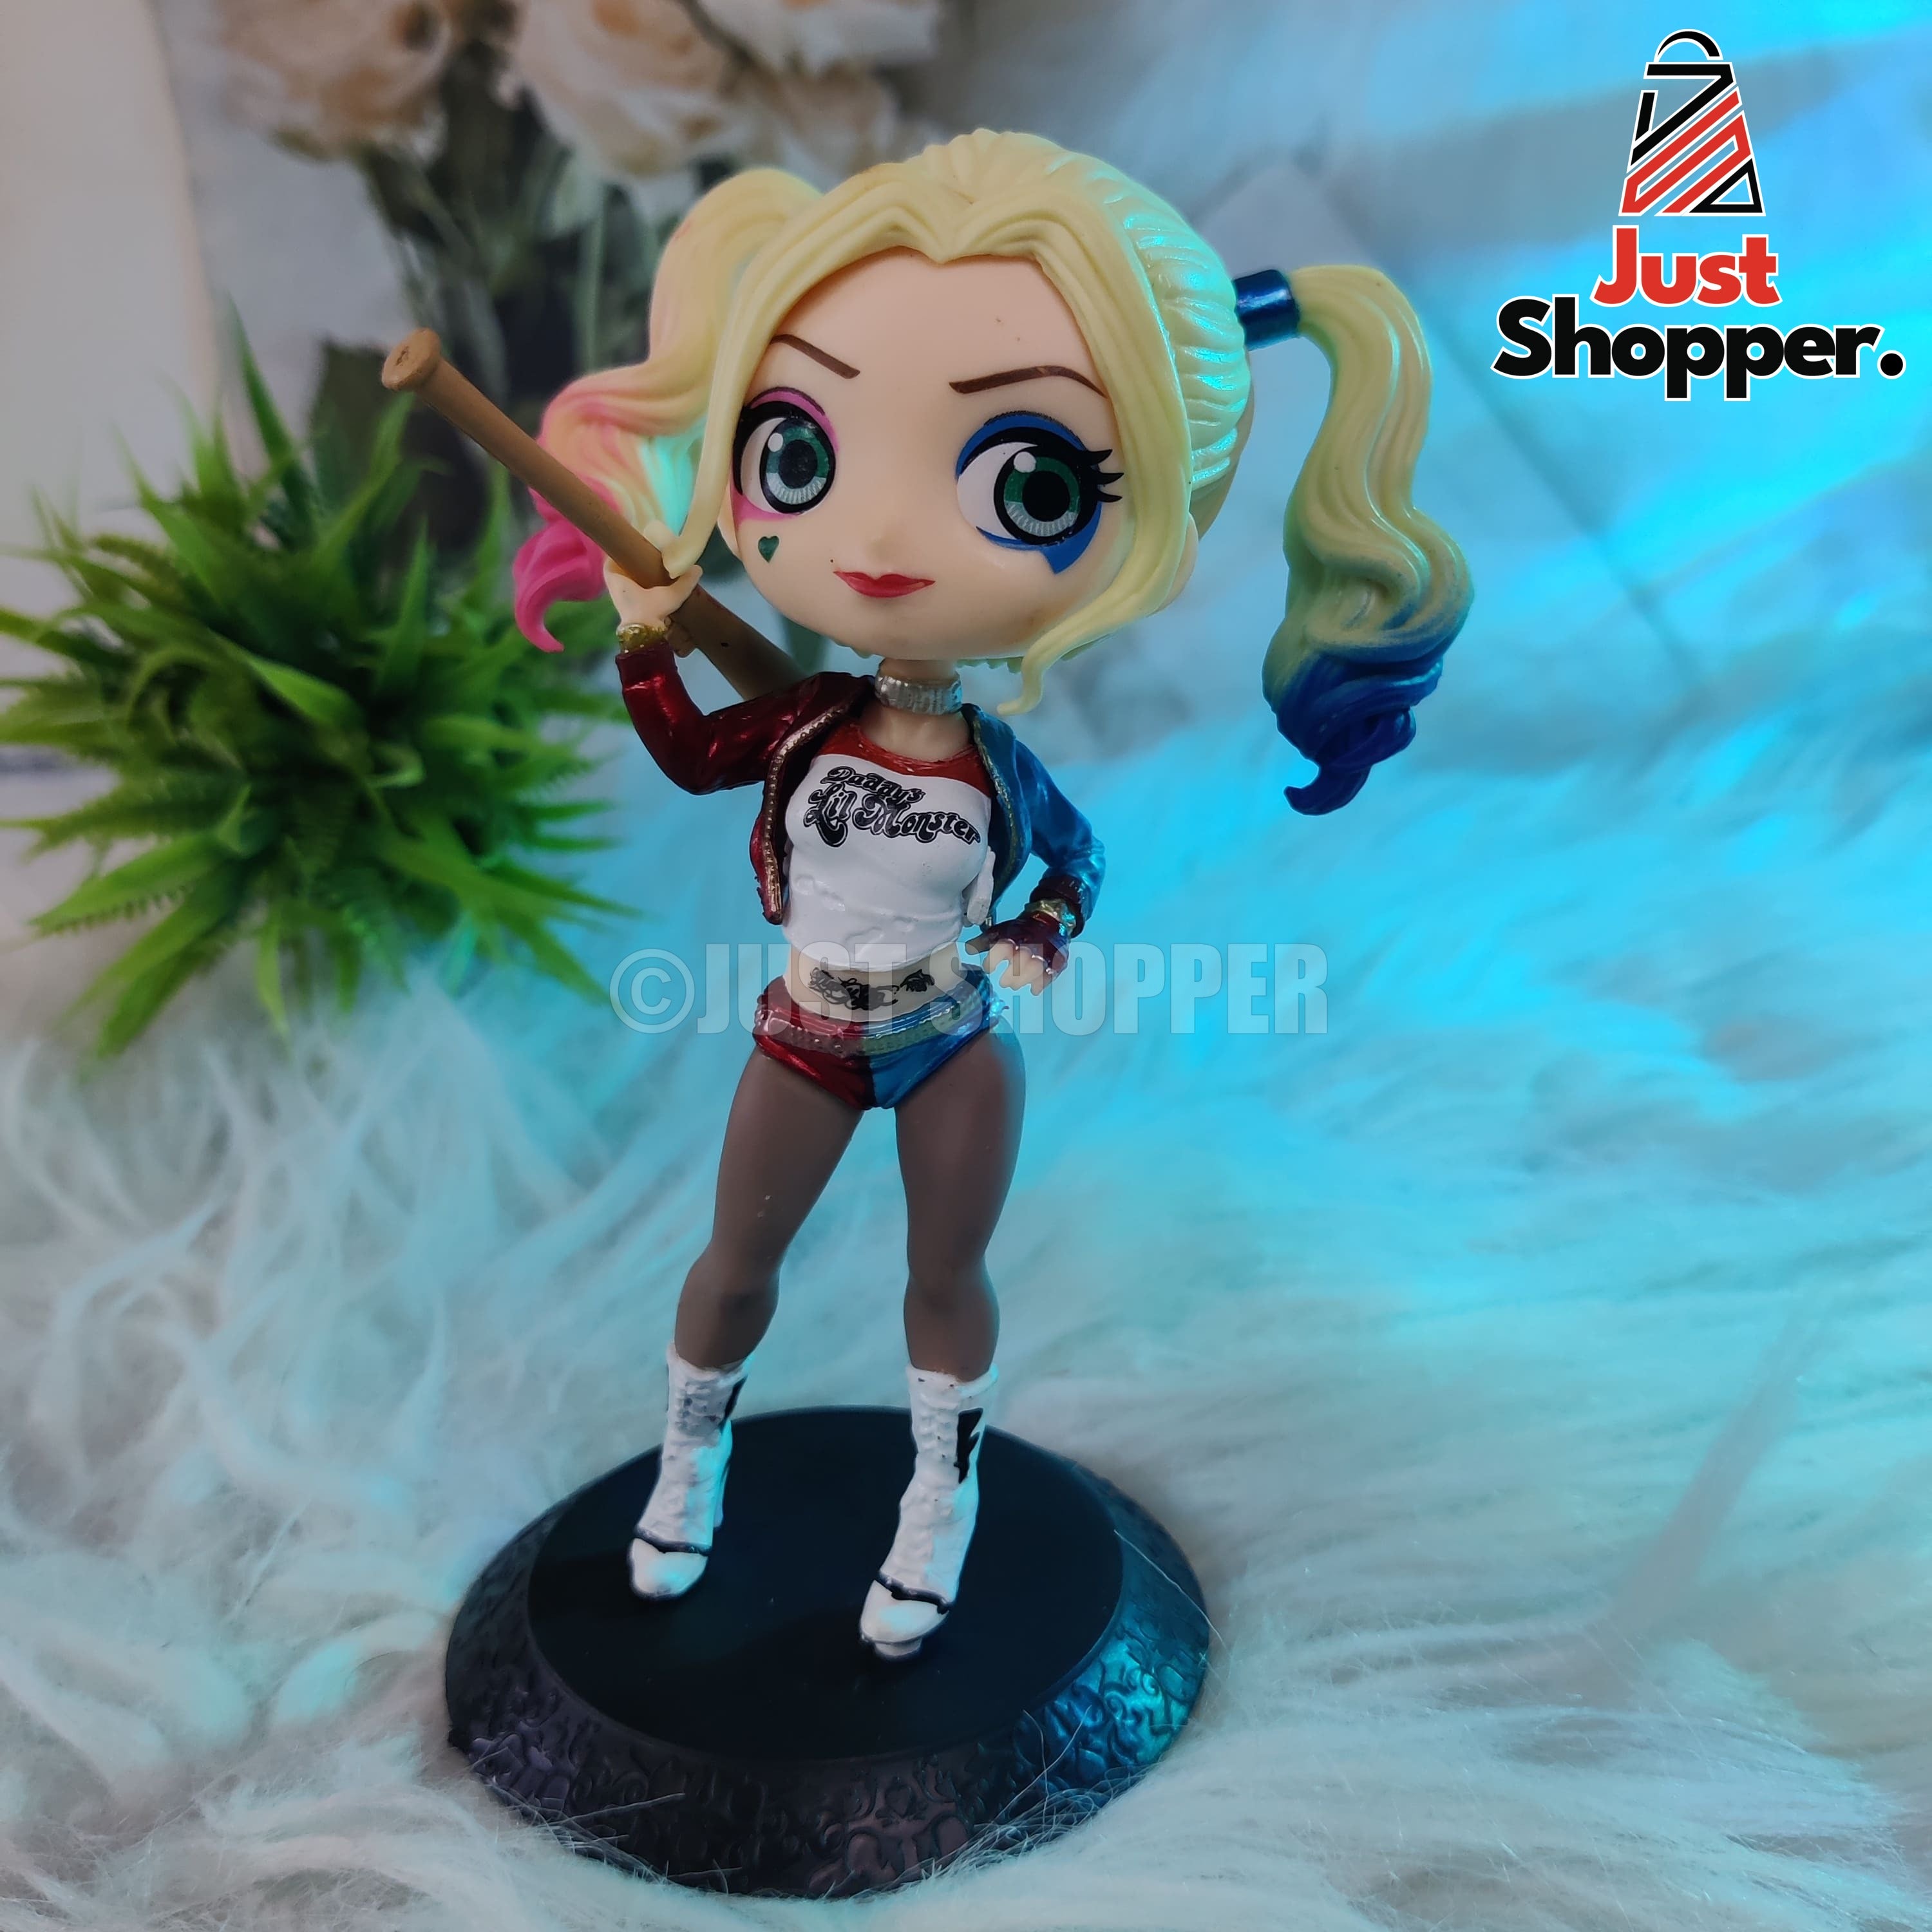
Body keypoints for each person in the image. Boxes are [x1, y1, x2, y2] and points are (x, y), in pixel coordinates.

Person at [513, 129, 1470, 1659]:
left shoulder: (1000, 769)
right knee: (734, 1263)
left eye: (1027, 483)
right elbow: (694, 756)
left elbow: (1075, 860)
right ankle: (689, 1469)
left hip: (948, 1038)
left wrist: (1039, 927)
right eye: (799, 453)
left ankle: (937, 1504)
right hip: (807, 1034)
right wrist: (643, 635)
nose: (881, 543)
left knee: (943, 1277)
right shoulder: (801, 725)